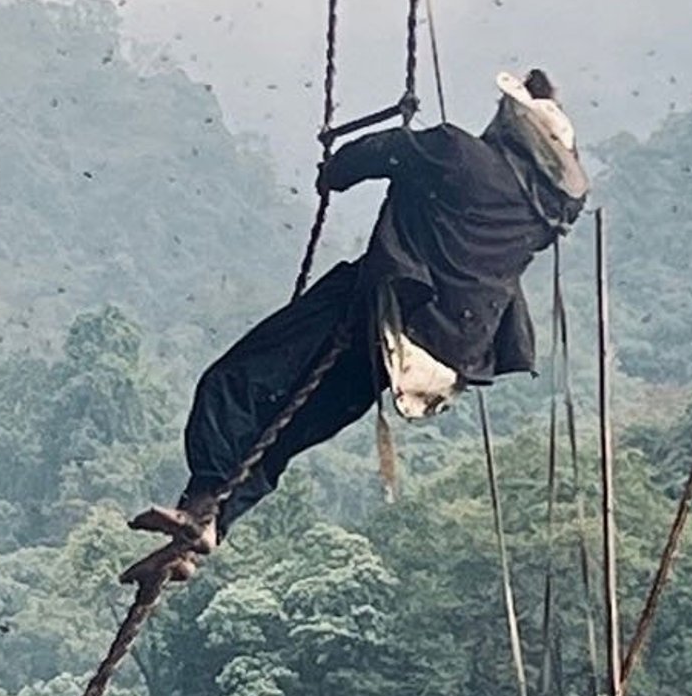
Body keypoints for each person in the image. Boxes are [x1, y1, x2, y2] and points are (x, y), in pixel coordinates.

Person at [127, 68, 588, 585]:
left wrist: (333, 169)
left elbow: (370, 156)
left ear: (510, 130)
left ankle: (200, 506)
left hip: (376, 313)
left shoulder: (457, 154)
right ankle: (207, 531)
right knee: (285, 435)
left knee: (233, 382)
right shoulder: (541, 217)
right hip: (432, 362)